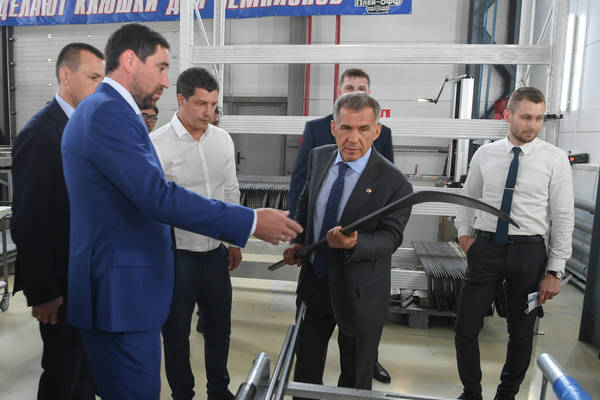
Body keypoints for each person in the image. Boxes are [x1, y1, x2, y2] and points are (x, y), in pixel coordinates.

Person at [60, 23, 302, 400]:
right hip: (119, 296)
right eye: (160, 67)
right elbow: (157, 197)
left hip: (124, 291)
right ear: (130, 61)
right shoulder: (108, 113)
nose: (164, 79)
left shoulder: (109, 111)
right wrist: (251, 220)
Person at [283, 92, 412, 396]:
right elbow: (307, 202)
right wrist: (299, 240)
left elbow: (391, 237)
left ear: (376, 131)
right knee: (305, 371)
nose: (354, 138)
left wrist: (355, 243)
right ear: (333, 127)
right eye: (346, 128)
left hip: (359, 293)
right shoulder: (319, 157)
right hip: (315, 282)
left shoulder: (395, 183)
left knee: (354, 380)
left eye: (363, 129)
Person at [454, 87, 574, 400]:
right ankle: (471, 392)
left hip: (529, 254)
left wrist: (555, 270)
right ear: (508, 116)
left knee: (521, 333)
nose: (532, 125)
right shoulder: (486, 154)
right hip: (486, 249)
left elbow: (563, 216)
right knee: (465, 327)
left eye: (538, 118)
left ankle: (506, 395)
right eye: (526, 117)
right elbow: (468, 198)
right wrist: (465, 237)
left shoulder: (555, 159)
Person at [11, 42, 105, 400]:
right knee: (63, 372)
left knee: (87, 370)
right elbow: (29, 221)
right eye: (93, 78)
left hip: (87, 278)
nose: (100, 87)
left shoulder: (84, 128)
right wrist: (45, 292)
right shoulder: (40, 134)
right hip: (60, 285)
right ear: (66, 76)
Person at [150, 67, 238, 400]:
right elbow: (153, 206)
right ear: (181, 99)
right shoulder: (157, 145)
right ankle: (182, 394)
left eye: (213, 104)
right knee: (175, 334)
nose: (208, 112)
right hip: (177, 258)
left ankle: (219, 389)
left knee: (219, 328)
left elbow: (230, 190)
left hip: (215, 254)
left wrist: (233, 240)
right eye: (201, 104)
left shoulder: (222, 139)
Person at [288, 68, 394, 220]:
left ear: (369, 93)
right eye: (349, 88)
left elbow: (387, 183)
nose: (355, 93)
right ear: (339, 91)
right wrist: (294, 224)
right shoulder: (315, 129)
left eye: (361, 89)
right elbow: (300, 180)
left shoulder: (383, 134)